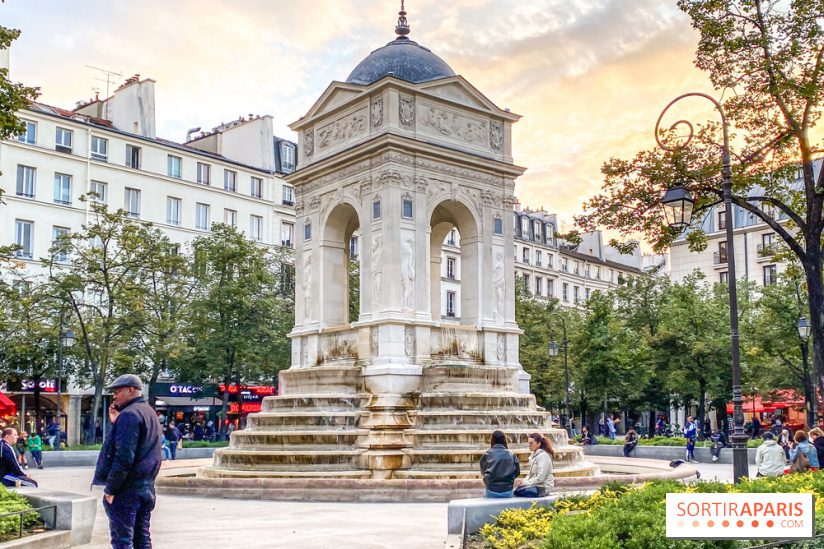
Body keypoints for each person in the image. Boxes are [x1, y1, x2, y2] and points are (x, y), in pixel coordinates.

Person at [92, 374, 161, 549]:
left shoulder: (129, 415)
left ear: (131, 390)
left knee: (122, 541)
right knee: (141, 537)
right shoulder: (148, 412)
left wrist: (111, 489)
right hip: (146, 487)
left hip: (127, 489)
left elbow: (124, 457)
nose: (114, 396)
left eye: (117, 391)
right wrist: (117, 423)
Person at [479, 430, 520, 498]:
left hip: (491, 490)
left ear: (492, 440)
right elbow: (517, 472)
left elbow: (483, 471)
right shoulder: (511, 454)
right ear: (504, 440)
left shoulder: (487, 454)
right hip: (507, 490)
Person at [514, 433, 554, 497]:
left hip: (543, 488)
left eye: (531, 443)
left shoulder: (543, 456)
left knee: (518, 493)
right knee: (517, 491)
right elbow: (531, 474)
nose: (529, 445)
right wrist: (523, 481)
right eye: (528, 443)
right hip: (535, 486)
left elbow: (540, 478)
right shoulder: (533, 456)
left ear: (538, 444)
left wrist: (526, 483)